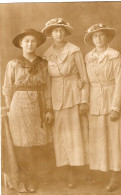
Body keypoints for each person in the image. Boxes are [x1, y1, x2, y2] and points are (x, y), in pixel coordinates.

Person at [80, 23, 121, 192]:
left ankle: (116, 174)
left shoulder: (115, 56)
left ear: (107, 37)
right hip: (94, 100)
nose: (99, 39)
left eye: (101, 35)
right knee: (98, 138)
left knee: (114, 138)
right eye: (95, 36)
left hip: (111, 97)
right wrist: (84, 101)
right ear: (92, 39)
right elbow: (86, 81)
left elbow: (120, 83)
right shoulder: (88, 57)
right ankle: (102, 173)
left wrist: (116, 107)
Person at [2, 29, 53, 193]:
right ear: (21, 44)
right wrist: (10, 109)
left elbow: (47, 88)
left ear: (37, 44)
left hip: (38, 105)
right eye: (26, 41)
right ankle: (23, 179)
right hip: (19, 105)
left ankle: (34, 178)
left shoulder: (43, 64)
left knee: (36, 144)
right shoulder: (13, 63)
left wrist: (48, 109)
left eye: (33, 41)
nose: (30, 44)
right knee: (21, 145)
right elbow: (7, 89)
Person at [42, 18, 89, 188]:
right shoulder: (47, 55)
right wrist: (48, 106)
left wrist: (84, 100)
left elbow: (84, 77)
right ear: (51, 34)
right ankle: (64, 170)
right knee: (60, 136)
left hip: (73, 95)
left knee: (75, 135)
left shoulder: (74, 51)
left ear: (65, 32)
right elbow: (47, 82)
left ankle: (75, 174)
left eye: (62, 30)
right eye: (55, 30)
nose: (59, 33)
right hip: (56, 98)